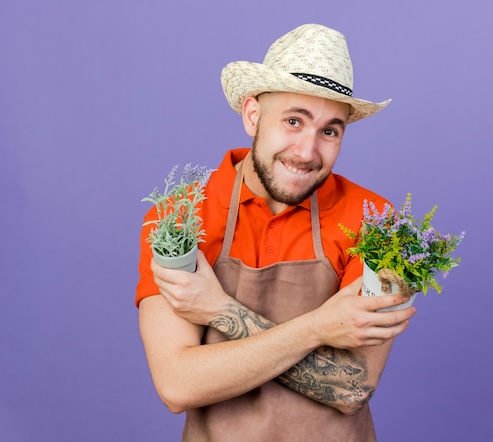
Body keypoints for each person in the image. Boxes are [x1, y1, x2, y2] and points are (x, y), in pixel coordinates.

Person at [136, 24, 416, 441]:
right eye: (293, 120)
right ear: (252, 115)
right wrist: (319, 327)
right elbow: (177, 385)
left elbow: (353, 387)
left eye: (329, 130)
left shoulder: (378, 223)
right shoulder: (179, 218)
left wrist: (217, 311)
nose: (307, 152)